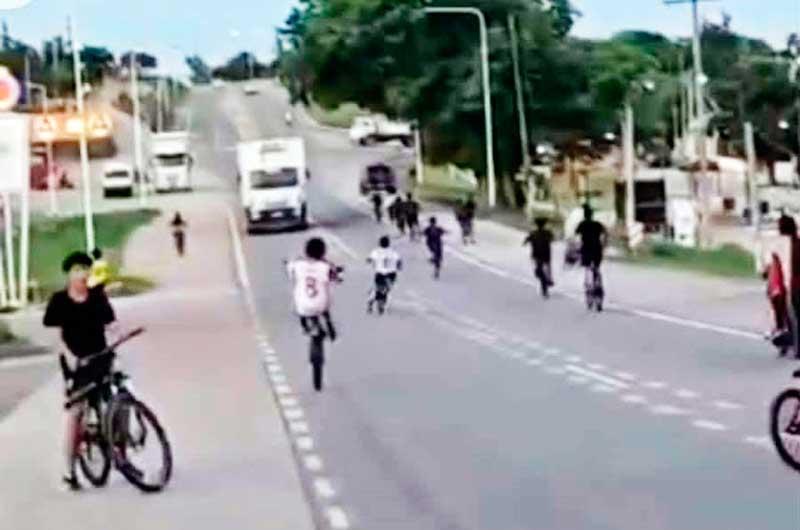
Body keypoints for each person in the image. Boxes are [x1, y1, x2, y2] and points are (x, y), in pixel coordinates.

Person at [44, 251, 120, 491]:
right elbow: (55, 337)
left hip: (101, 357)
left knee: (120, 395)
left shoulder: (98, 297)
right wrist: (70, 356)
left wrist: (119, 338)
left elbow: (112, 324)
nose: (82, 275)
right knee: (76, 413)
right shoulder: (59, 301)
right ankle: (70, 470)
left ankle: (122, 447)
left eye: (85, 270)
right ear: (68, 274)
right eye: (77, 270)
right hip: (77, 363)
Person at [287, 238, 339, 343]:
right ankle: (330, 328)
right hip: (321, 305)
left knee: (299, 307)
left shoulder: (297, 264)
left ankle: (304, 327)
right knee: (325, 309)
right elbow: (335, 278)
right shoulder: (326, 266)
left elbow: (291, 273)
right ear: (323, 251)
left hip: (303, 305)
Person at [366, 236, 402, 313]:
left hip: (380, 273)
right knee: (387, 290)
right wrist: (398, 267)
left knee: (379, 289)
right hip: (391, 274)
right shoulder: (393, 252)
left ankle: (372, 300)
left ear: (380, 243)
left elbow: (368, 260)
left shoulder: (376, 251)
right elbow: (399, 261)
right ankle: (380, 303)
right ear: (388, 243)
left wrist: (371, 262)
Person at [523, 218, 555, 294]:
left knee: (538, 271)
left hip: (537, 255)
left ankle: (546, 281)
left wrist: (525, 243)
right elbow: (552, 239)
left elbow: (527, 240)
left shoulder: (533, 233)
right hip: (546, 254)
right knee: (547, 267)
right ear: (544, 225)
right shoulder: (547, 232)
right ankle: (548, 279)